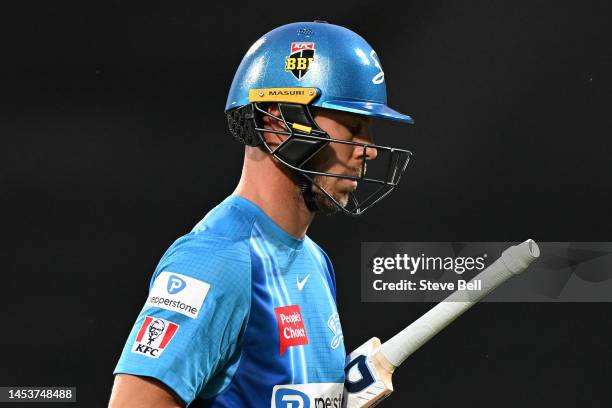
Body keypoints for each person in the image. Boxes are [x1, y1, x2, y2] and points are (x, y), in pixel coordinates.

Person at [109, 21, 413, 407]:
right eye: (352, 127)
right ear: (276, 125)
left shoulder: (315, 261)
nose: (368, 149)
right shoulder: (215, 262)